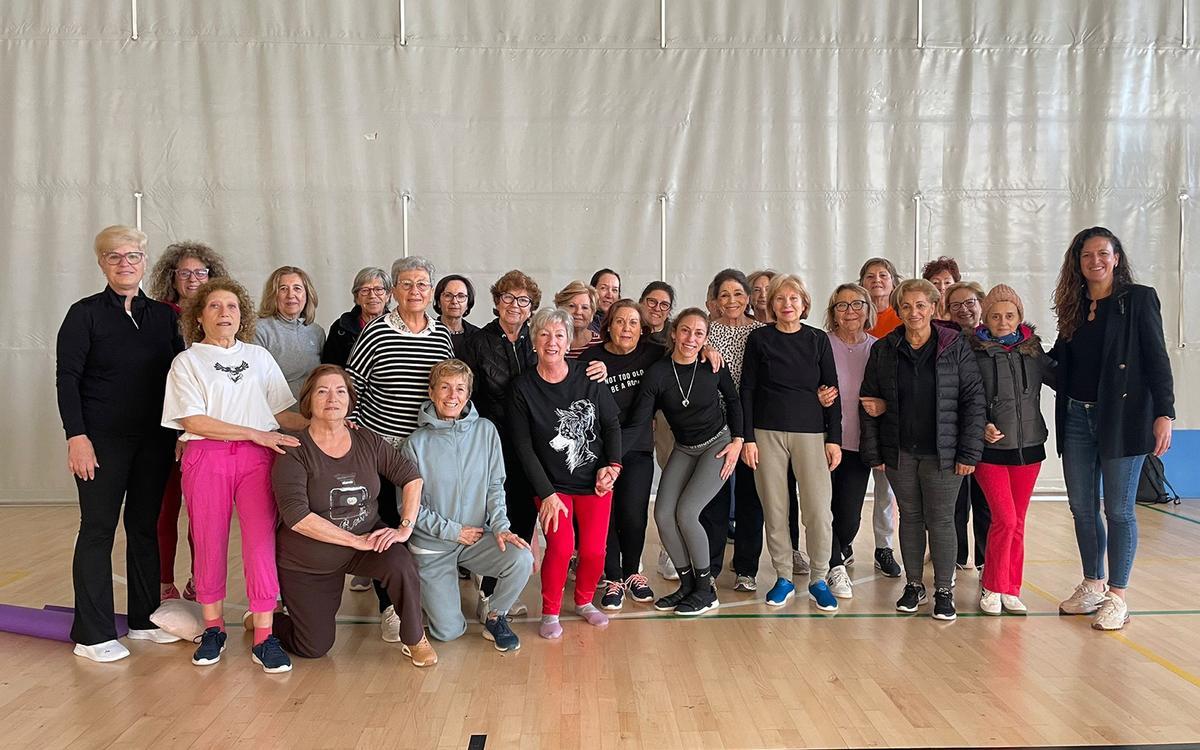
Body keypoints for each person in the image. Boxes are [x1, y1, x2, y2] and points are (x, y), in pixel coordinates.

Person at [162, 277, 308, 672]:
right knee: (208, 541)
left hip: (258, 459)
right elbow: (192, 419)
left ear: (241, 314)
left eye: (231, 307)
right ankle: (213, 630)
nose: (224, 313)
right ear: (199, 316)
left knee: (261, 542)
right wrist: (253, 432)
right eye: (214, 307)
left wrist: (325, 424)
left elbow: (279, 415)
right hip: (206, 456)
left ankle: (264, 636)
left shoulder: (259, 358)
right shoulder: (187, 362)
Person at [57, 225, 184, 663]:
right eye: (115, 256)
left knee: (144, 528)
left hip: (155, 442)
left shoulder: (165, 317)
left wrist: (181, 435)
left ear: (145, 262)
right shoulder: (84, 314)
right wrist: (77, 438)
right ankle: (91, 635)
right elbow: (67, 379)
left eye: (132, 255)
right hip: (101, 442)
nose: (125, 263)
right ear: (101, 263)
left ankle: (144, 619)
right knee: (97, 529)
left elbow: (178, 380)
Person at [1049, 227, 1174, 630]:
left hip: (1124, 419)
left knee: (1118, 510)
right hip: (1076, 417)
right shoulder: (1073, 305)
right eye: (1087, 255)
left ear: (1116, 258)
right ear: (1078, 262)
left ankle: (1117, 596)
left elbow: (1157, 359)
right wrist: (1017, 347)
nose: (1095, 261)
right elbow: (1058, 365)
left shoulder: (1138, 300)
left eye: (1103, 253)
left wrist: (1164, 414)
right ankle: (1093, 583)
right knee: (1082, 508)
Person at [270, 366, 437, 666]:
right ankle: (267, 621)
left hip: (364, 542)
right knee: (314, 647)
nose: (332, 398)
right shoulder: (294, 449)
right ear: (308, 401)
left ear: (350, 400)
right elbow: (297, 516)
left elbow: (411, 477)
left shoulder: (366, 440)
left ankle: (414, 638)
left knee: (400, 561)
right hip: (309, 560)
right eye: (322, 391)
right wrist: (354, 540)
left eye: (340, 391)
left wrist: (404, 529)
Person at [860, 278, 986, 622]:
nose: (913, 312)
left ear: (933, 308)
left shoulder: (955, 345)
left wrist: (968, 453)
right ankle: (914, 585)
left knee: (942, 520)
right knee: (911, 518)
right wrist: (875, 453)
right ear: (898, 310)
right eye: (906, 306)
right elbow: (869, 402)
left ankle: (944, 590)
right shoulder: (884, 349)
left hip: (944, 454)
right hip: (900, 451)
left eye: (920, 305)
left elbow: (974, 401)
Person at [345, 256, 455, 633]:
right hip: (381, 448)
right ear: (393, 291)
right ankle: (389, 607)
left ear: (431, 292)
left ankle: (420, 599)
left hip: (425, 448)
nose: (415, 291)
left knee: (420, 524)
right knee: (387, 527)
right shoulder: (376, 332)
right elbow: (351, 385)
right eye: (406, 284)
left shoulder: (441, 334)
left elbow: (447, 388)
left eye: (422, 283)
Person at [402, 360, 534, 650]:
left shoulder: (486, 432)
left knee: (522, 558)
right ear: (431, 392)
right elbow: (410, 510)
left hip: (476, 537)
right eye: (445, 387)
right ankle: (428, 592)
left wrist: (501, 527)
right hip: (433, 546)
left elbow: (494, 486)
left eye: (460, 388)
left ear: (468, 394)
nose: (452, 395)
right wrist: (453, 532)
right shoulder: (414, 444)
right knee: (448, 632)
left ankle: (496, 615)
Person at [509, 308, 622, 639]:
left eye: (559, 335)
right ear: (534, 341)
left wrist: (612, 465)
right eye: (544, 335)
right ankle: (551, 610)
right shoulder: (522, 387)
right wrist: (546, 494)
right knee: (559, 548)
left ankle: (585, 601)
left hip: (594, 482)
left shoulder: (589, 376)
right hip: (551, 486)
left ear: (569, 340)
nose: (552, 342)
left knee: (594, 551)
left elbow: (611, 425)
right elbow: (524, 447)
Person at [627, 308, 744, 615]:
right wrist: (614, 455)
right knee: (663, 514)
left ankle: (707, 590)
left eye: (699, 334)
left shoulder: (712, 365)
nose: (691, 339)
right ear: (674, 332)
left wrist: (738, 441)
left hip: (717, 445)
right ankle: (688, 584)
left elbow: (733, 401)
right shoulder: (659, 372)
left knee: (688, 512)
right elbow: (641, 418)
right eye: (686, 331)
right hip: (684, 447)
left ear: (706, 338)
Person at [740, 275, 842, 611]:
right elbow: (749, 390)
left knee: (818, 510)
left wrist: (834, 439)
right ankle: (783, 576)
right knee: (775, 508)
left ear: (804, 304)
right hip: (766, 433)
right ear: (771, 305)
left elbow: (832, 390)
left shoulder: (817, 340)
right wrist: (749, 439)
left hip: (811, 433)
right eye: (780, 299)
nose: (787, 304)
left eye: (793, 299)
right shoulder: (759, 339)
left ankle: (819, 578)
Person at [707, 269, 810, 590]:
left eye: (738, 294)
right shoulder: (705, 332)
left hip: (754, 425)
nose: (732, 300)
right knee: (716, 498)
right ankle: (709, 566)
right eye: (725, 295)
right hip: (716, 426)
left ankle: (746, 568)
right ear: (715, 301)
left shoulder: (760, 332)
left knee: (753, 497)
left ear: (749, 296)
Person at [148, 240, 231, 603]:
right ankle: (164, 581)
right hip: (165, 426)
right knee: (166, 509)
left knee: (204, 513)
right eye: (185, 273)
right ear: (173, 278)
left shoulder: (222, 315)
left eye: (201, 272)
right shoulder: (157, 315)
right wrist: (182, 428)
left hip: (207, 431)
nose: (194, 278)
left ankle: (201, 580)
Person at [969, 285, 1055, 615]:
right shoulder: (973, 352)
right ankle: (992, 585)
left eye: (1009, 315)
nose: (1002, 322)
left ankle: (1011, 588)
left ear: (1019, 317)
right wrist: (981, 425)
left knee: (1018, 521)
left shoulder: (1034, 352)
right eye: (995, 316)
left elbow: (1063, 378)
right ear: (985, 319)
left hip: (1029, 449)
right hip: (991, 451)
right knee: (1003, 519)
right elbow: (965, 397)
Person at [580, 300, 664, 609]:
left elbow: (688, 347)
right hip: (601, 452)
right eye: (619, 322)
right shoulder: (592, 357)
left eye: (632, 323)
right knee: (608, 515)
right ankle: (612, 578)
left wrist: (708, 349)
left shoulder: (654, 353)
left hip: (638, 449)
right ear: (608, 326)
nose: (625, 328)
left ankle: (632, 573)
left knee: (633, 513)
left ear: (642, 329)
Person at [822, 283, 879, 598]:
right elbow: (802, 384)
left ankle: (839, 549)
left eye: (856, 304)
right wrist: (815, 395)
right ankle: (833, 566)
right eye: (841, 306)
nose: (850, 311)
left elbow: (889, 393)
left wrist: (881, 404)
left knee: (849, 515)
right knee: (823, 507)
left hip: (861, 442)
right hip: (824, 440)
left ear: (867, 309)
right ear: (833, 313)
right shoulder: (821, 343)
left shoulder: (878, 347)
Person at [857, 257, 904, 578]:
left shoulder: (902, 318)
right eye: (870, 276)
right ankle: (842, 545)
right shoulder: (853, 315)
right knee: (847, 487)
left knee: (886, 489)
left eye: (883, 275)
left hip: (888, 414)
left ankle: (883, 548)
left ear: (893, 281)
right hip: (853, 413)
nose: (877, 280)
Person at [943, 281, 992, 570]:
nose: (964, 309)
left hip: (989, 433)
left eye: (970, 302)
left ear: (981, 303)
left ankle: (986, 561)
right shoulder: (945, 342)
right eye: (956, 305)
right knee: (956, 503)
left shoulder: (994, 339)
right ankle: (957, 558)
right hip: (953, 432)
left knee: (985, 501)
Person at [254, 266, 326, 401]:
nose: (290, 295)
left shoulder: (317, 332)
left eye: (297, 288)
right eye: (283, 289)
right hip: (277, 415)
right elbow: (255, 384)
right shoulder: (260, 330)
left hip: (313, 412)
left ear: (307, 294)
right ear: (273, 295)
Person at [321, 267, 392, 367]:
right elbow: (330, 368)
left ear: (388, 296)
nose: (372, 295)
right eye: (365, 290)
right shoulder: (340, 328)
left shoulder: (398, 326)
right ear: (357, 298)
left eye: (378, 289)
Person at [434, 274, 480, 353]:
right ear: (438, 302)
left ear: (468, 304)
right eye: (448, 295)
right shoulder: (427, 332)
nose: (454, 301)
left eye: (461, 296)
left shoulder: (478, 336)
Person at [556, 280, 603, 358]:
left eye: (585, 307)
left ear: (592, 313)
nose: (578, 312)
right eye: (571, 306)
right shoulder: (550, 343)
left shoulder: (601, 345)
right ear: (560, 309)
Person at [639, 281, 676, 347]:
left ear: (669, 310)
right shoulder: (629, 329)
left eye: (664, 305)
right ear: (641, 302)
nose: (657, 309)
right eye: (652, 301)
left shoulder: (675, 336)